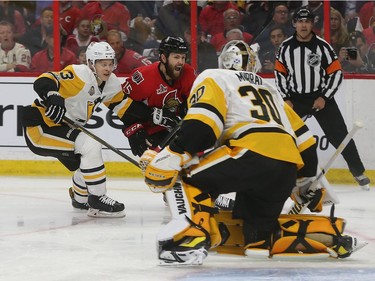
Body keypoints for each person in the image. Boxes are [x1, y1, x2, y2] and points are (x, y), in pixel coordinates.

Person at [138, 40, 361, 265]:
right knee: (255, 240)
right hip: (285, 168)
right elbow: (306, 143)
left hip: (250, 153)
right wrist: (305, 183)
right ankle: (331, 237)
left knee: (184, 176)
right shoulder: (269, 89)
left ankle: (189, 239)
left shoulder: (214, 76)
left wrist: (172, 154)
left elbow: (203, 127)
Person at [21, 41, 152, 218]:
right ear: (91, 63)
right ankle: (97, 198)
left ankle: (80, 199)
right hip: (40, 128)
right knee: (90, 145)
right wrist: (53, 95)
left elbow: (125, 107)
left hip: (62, 128)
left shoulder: (110, 83)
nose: (107, 68)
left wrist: (154, 116)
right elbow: (44, 80)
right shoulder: (79, 74)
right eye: (102, 64)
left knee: (89, 159)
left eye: (110, 63)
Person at [274, 7, 370, 189]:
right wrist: (286, 98)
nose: (303, 25)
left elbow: (336, 74)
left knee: (341, 136)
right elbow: (280, 75)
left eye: (306, 21)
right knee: (285, 136)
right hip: (295, 99)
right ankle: (278, 173)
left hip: (320, 97)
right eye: (300, 21)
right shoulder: (285, 47)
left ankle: (358, 172)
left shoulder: (322, 46)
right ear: (295, 24)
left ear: (312, 24)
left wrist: (325, 97)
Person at [121, 36, 196, 157]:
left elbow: (195, 102)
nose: (181, 62)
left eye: (183, 57)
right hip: (151, 129)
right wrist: (132, 128)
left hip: (177, 126)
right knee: (162, 164)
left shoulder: (189, 73)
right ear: (163, 58)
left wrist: (187, 113)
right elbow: (121, 103)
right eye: (176, 57)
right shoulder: (144, 78)